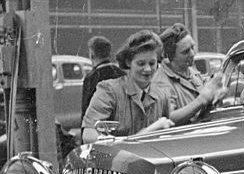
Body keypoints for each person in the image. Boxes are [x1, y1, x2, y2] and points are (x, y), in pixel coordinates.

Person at [81, 30, 224, 144]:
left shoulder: (161, 95)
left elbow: (174, 129)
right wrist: (145, 134)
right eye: (141, 64)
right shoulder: (108, 91)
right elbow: (88, 134)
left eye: (152, 63)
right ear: (128, 62)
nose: (148, 70)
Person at [151, 23, 211, 124]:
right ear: (170, 56)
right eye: (186, 51)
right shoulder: (161, 82)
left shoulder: (191, 71)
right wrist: (202, 99)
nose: (192, 53)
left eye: (192, 47)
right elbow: (169, 118)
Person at [80, 35, 124, 120]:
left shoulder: (91, 78)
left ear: (92, 55)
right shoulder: (121, 74)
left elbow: (86, 111)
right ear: (109, 53)